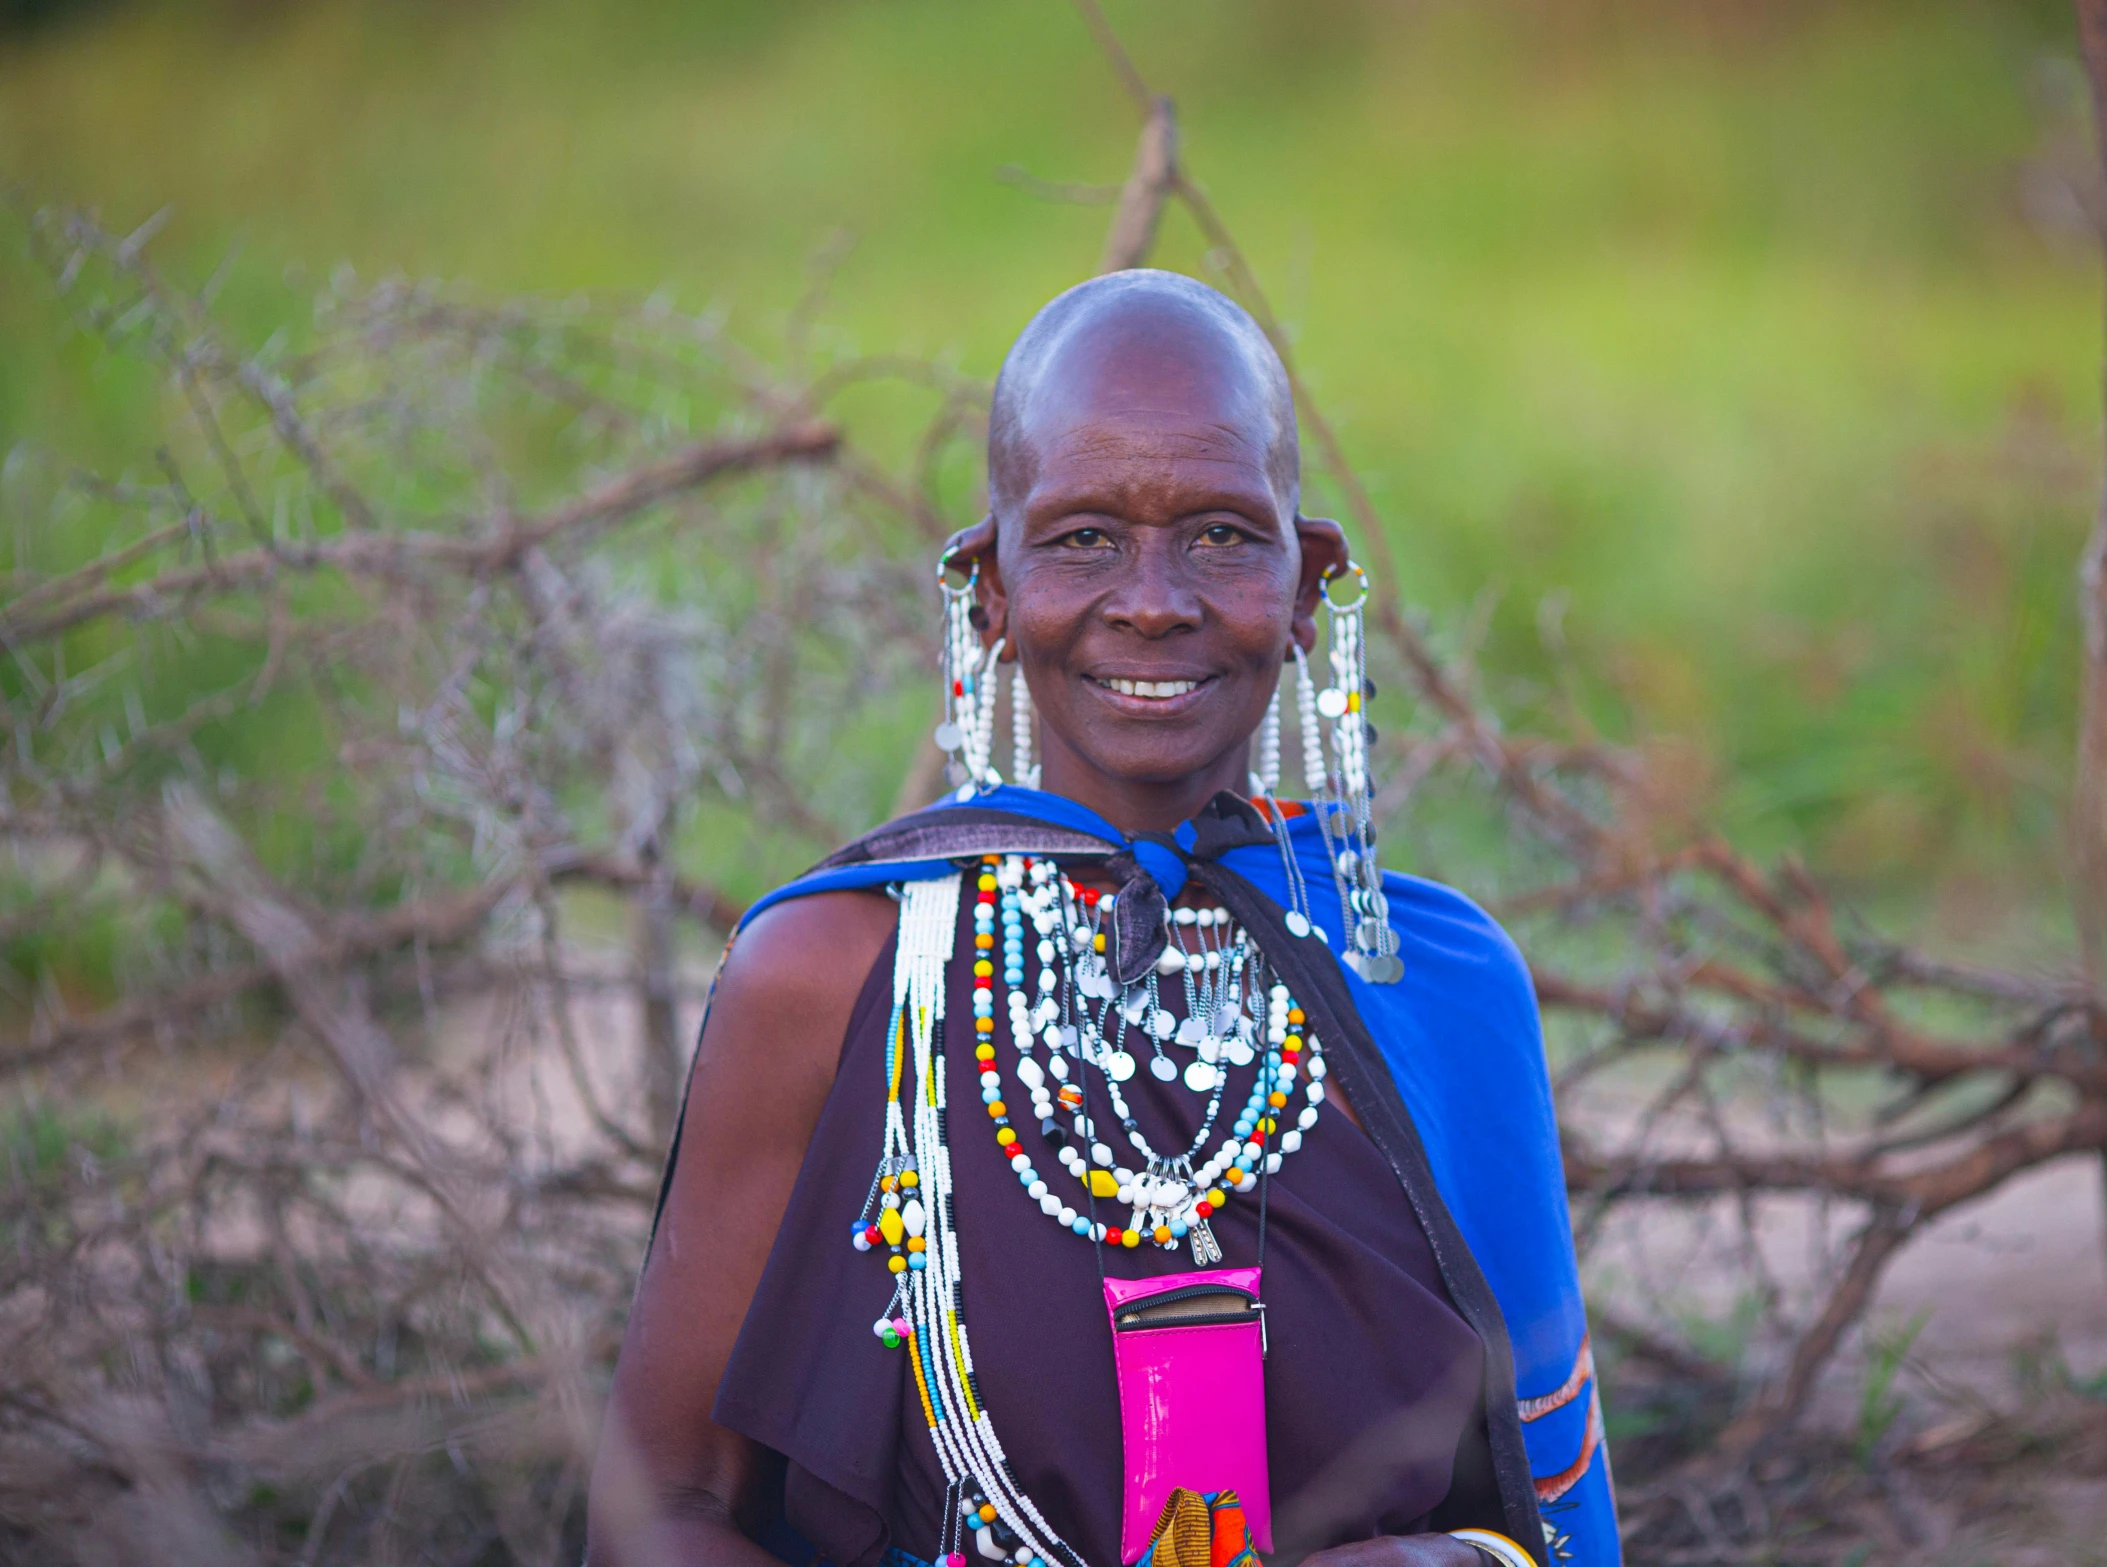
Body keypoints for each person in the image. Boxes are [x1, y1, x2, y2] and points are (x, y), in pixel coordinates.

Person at [586, 270, 1618, 1567]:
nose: (1151, 599)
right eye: (1081, 537)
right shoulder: (835, 975)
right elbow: (657, 1516)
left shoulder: (1437, 980)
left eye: (1220, 535)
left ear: (1307, 587)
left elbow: (1557, 1519)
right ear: (989, 589)